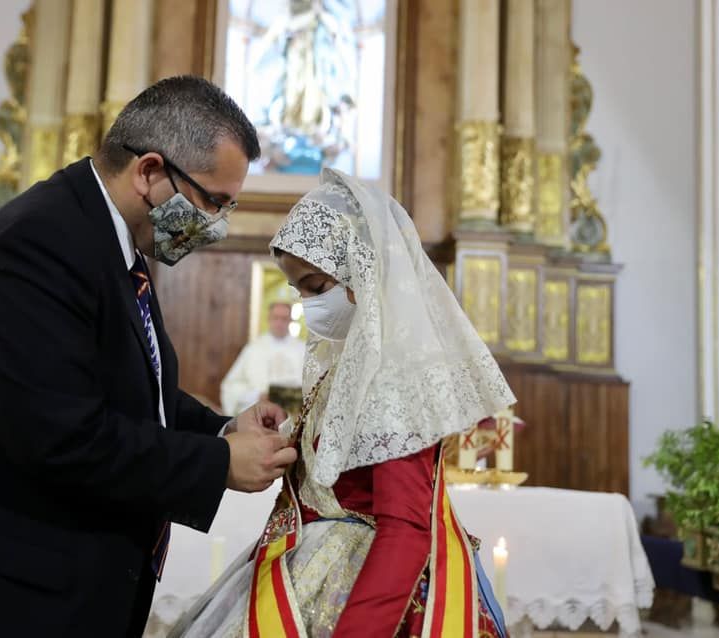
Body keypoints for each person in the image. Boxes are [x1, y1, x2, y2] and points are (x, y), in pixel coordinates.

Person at [0, 76, 297, 638]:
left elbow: (127, 385)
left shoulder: (106, 241)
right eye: (213, 202)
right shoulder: (37, 244)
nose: (220, 224)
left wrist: (221, 427)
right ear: (151, 172)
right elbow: (61, 435)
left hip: (54, 583)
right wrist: (216, 463)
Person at [169, 169, 516, 638]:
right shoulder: (348, 367)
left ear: (363, 271)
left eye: (315, 287)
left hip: (367, 590)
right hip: (314, 567)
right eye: (297, 292)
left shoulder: (393, 379)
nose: (307, 306)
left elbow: (405, 531)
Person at [220, 300, 306, 415]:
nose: (279, 323)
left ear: (290, 320)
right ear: (269, 319)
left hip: (294, 412)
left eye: (284, 318)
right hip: (260, 411)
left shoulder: (303, 349)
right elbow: (230, 386)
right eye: (275, 318)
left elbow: (311, 386)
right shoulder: (254, 348)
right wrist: (258, 395)